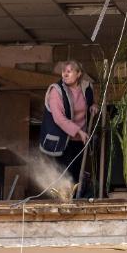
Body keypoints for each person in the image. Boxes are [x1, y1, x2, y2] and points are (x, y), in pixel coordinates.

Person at [39, 60, 98, 197]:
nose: (65, 73)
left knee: (77, 173)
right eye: (63, 71)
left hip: (80, 139)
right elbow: (59, 119)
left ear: (78, 74)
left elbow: (89, 102)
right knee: (65, 174)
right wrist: (78, 131)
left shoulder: (86, 87)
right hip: (61, 140)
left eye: (69, 71)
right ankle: (65, 202)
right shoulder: (56, 91)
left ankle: (75, 201)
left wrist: (93, 105)